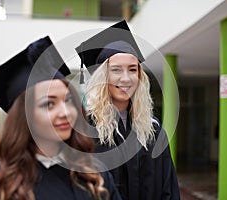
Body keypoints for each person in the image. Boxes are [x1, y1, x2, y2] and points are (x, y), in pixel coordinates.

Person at [0, 36, 121, 200]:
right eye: (49, 104)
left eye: (68, 100)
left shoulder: (95, 176)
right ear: (25, 117)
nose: (65, 112)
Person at [76, 20, 180, 200]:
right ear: (103, 76)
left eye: (132, 70)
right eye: (116, 70)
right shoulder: (85, 129)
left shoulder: (152, 129)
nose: (126, 78)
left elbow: (168, 187)